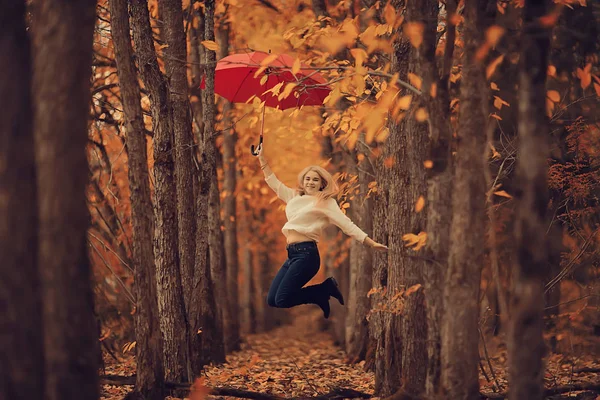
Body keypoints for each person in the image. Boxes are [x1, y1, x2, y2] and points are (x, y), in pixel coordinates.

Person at [257, 145, 388, 319]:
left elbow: (346, 224)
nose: (310, 182)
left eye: (315, 180)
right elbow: (273, 181)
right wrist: (261, 158)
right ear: (303, 181)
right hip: (292, 255)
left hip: (307, 255)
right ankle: (321, 292)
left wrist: (370, 242)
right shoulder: (294, 196)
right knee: (272, 300)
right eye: (307, 179)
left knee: (282, 299)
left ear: (322, 184)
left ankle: (322, 290)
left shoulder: (326, 202)